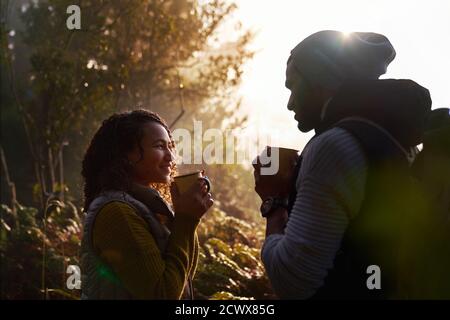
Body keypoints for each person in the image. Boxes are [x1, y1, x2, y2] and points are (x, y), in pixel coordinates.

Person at [253, 30, 434, 299]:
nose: (290, 103)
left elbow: (293, 281)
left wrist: (274, 201)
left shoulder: (333, 147)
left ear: (320, 78)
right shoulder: (398, 143)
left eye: (293, 86)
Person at [80, 109, 213, 299]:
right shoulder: (116, 212)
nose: (170, 156)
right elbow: (163, 294)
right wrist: (186, 220)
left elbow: (181, 278)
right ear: (125, 155)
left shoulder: (147, 206)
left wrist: (186, 219)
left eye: (170, 146)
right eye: (159, 146)